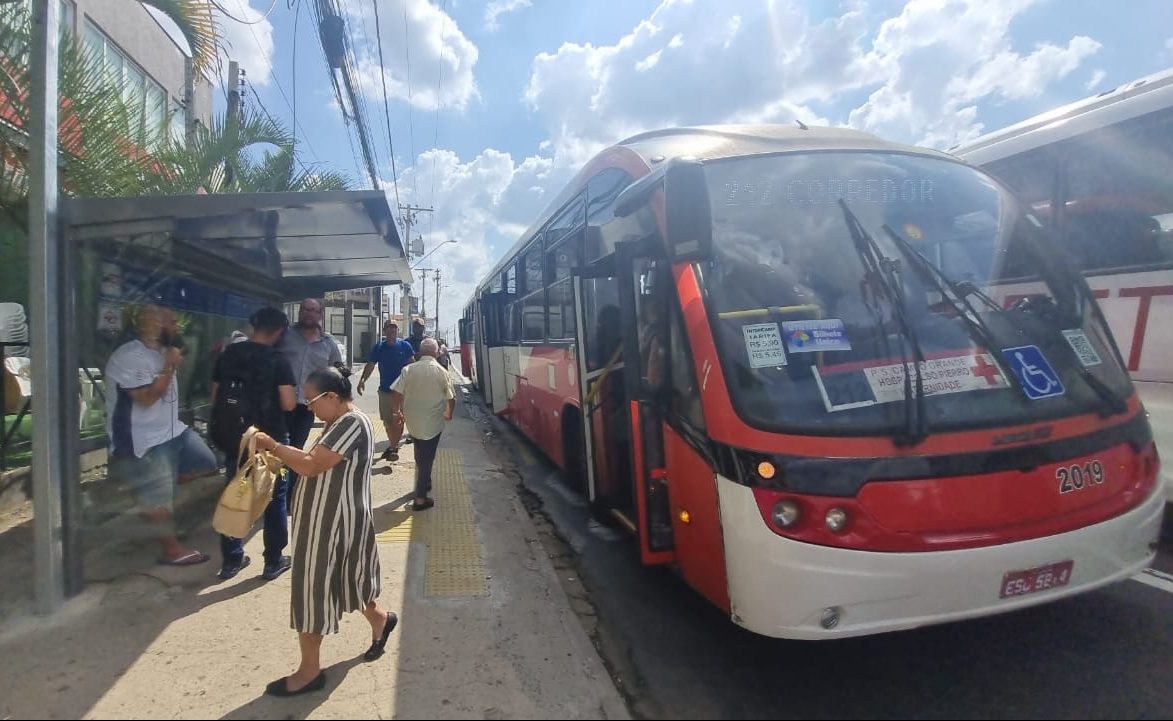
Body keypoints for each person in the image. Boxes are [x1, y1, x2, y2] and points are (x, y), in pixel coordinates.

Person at [252, 368, 397, 697]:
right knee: (349, 580)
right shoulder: (340, 421)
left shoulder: (351, 423)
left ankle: (309, 672)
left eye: (312, 400)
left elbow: (310, 464)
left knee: (311, 591)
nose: (308, 407)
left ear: (332, 397)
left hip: (330, 524)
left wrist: (272, 445)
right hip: (332, 520)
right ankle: (381, 620)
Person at [104, 304, 218, 566]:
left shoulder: (164, 350)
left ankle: (150, 496)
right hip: (143, 438)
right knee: (158, 495)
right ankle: (171, 549)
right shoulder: (129, 356)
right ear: (154, 324)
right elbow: (146, 398)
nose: (178, 327)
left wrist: (171, 356)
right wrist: (169, 366)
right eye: (173, 322)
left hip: (172, 429)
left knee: (207, 464)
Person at [210, 307, 297, 581]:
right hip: (272, 442)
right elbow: (288, 403)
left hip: (236, 440)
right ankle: (273, 560)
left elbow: (215, 395)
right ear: (280, 331)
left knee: (237, 491)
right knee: (276, 496)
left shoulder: (229, 355)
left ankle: (231, 560)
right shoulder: (278, 361)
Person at [279, 298, 343, 492]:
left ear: (320, 315)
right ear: (300, 312)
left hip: (307, 406)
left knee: (296, 449)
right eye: (305, 309)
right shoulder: (285, 336)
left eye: (313, 310)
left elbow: (337, 374)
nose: (308, 313)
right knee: (279, 448)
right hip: (280, 403)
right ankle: (274, 492)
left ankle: (289, 493)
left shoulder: (329, 344)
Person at [388, 338, 455, 511]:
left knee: (419, 450)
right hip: (433, 422)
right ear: (436, 353)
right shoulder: (441, 371)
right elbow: (451, 398)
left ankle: (424, 483)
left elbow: (396, 392)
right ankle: (420, 497)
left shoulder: (408, 369)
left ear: (420, 352)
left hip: (413, 421)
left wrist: (396, 412)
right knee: (427, 457)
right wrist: (449, 413)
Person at [356, 320, 415, 463]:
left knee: (399, 420)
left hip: (401, 391)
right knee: (388, 422)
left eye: (394, 328)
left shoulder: (405, 346)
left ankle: (393, 448)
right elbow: (370, 365)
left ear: (397, 331)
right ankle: (393, 445)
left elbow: (412, 365)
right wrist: (362, 380)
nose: (392, 331)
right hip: (385, 391)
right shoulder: (379, 348)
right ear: (384, 331)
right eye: (389, 328)